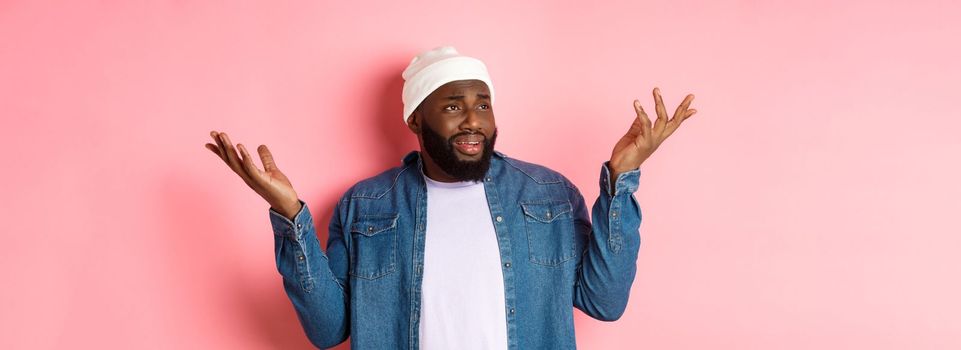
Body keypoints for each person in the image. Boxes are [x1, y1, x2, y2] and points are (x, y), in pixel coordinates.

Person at [205, 46, 697, 349]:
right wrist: (289, 214)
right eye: (453, 106)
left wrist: (622, 177)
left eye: (483, 104)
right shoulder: (367, 206)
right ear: (415, 119)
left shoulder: (547, 194)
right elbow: (327, 331)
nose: (473, 121)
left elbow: (605, 302)